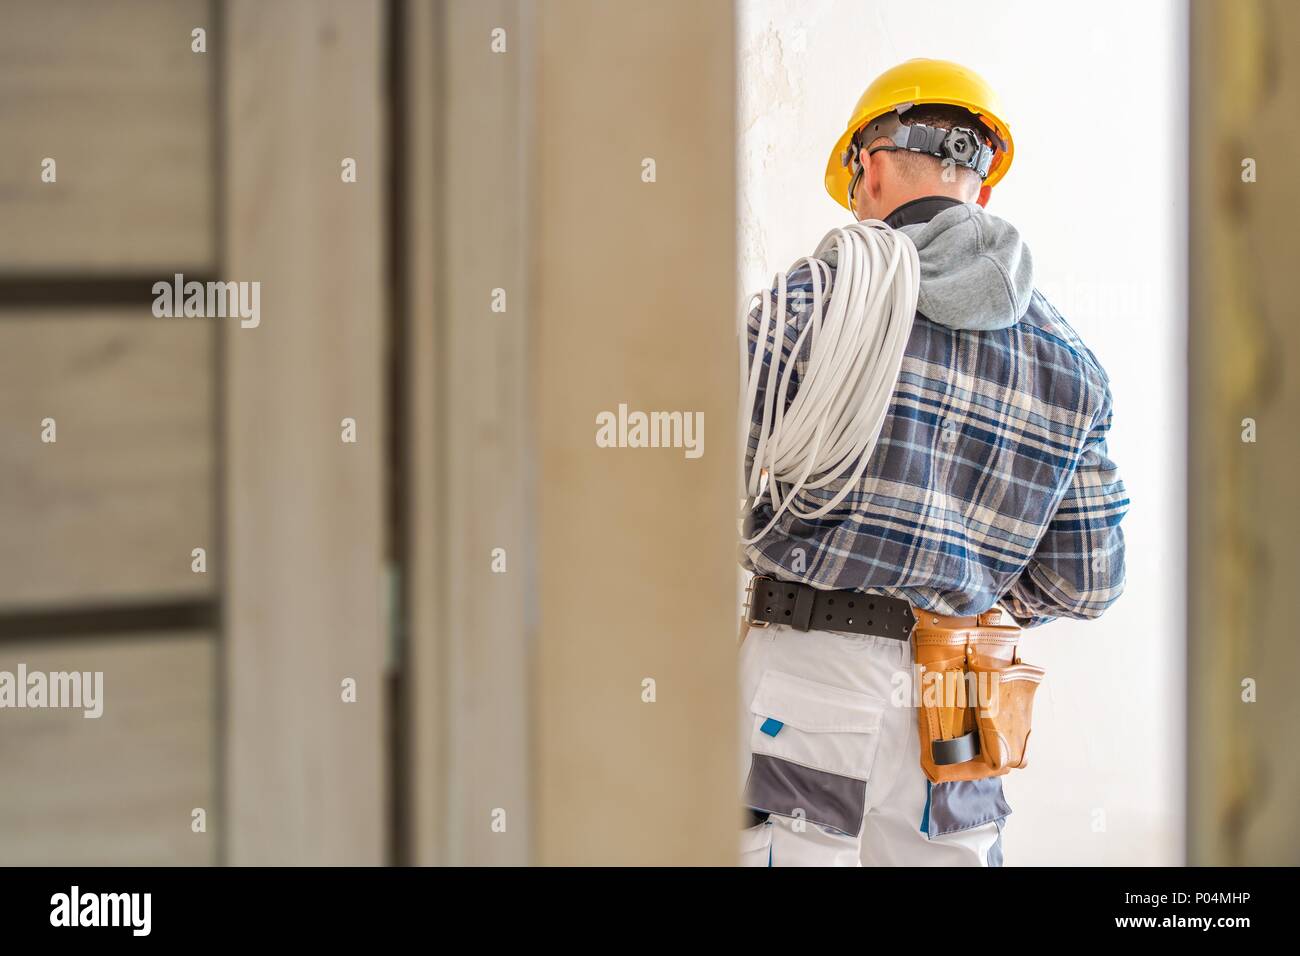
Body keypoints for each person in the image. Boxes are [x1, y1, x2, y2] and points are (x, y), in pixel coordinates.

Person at [738, 59, 1128, 866]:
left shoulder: (808, 303)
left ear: (870, 171)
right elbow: (1086, 581)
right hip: (956, 702)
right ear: (980, 187)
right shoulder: (1073, 368)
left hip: (807, 679)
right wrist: (965, 574)